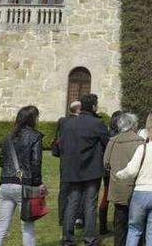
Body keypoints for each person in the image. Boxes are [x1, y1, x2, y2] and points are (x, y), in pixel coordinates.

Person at [115, 111, 152, 246]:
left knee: (134, 229)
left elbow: (131, 170)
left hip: (141, 193)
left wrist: (119, 174)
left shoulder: (143, 148)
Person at [0, 105, 45, 246]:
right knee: (27, 228)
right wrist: (38, 184)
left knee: (0, 228)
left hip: (5, 184)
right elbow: (36, 162)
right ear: (33, 119)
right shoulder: (35, 136)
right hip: (24, 185)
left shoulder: (9, 137)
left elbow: (2, 160)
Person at [59, 94, 110, 246]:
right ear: (94, 106)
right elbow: (107, 143)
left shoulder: (68, 124)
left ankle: (67, 239)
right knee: (90, 204)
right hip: (91, 169)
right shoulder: (97, 123)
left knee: (72, 203)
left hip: (73, 168)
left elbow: (63, 145)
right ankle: (89, 238)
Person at [104, 113, 143, 246]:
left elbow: (106, 163)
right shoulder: (140, 142)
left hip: (118, 185)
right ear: (133, 125)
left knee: (120, 220)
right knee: (137, 221)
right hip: (135, 186)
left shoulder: (112, 141)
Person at [54, 101, 82, 227]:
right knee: (78, 189)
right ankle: (77, 217)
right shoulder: (76, 123)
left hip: (64, 160)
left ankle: (62, 217)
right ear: (78, 110)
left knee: (64, 190)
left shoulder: (63, 121)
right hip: (76, 160)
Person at [99, 110, 124, 236]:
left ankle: (103, 226)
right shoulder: (117, 136)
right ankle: (114, 224)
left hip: (108, 170)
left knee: (107, 197)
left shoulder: (107, 134)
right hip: (115, 169)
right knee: (116, 198)